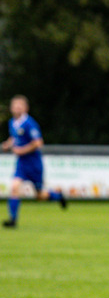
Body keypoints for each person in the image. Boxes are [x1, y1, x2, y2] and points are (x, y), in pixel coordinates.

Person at [2, 95, 63, 227]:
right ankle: (13, 220)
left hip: (34, 165)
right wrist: (7, 144)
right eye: (15, 106)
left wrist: (21, 150)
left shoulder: (30, 123)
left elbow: (38, 142)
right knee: (14, 187)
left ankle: (58, 196)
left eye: (20, 106)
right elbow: (14, 138)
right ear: (11, 108)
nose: (17, 108)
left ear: (25, 108)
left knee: (40, 196)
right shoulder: (12, 122)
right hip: (22, 164)